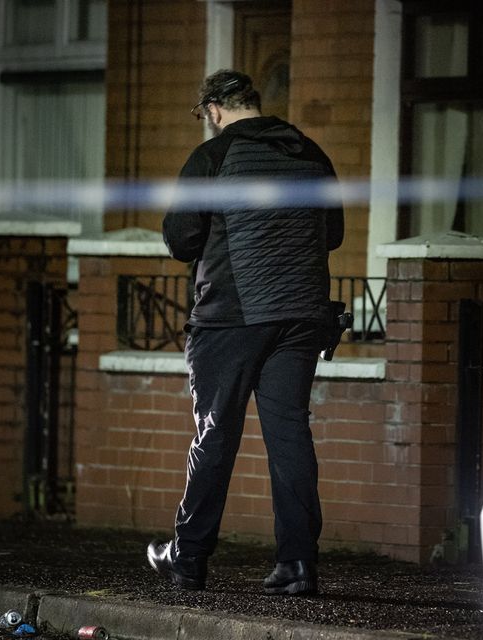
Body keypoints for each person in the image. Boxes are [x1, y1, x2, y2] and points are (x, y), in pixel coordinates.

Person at [146, 69, 344, 596]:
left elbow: (182, 239)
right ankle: (298, 565)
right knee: (290, 437)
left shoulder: (212, 157)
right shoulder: (312, 154)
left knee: (215, 434)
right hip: (302, 316)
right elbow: (335, 233)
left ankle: (187, 560)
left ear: (213, 110)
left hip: (232, 318)